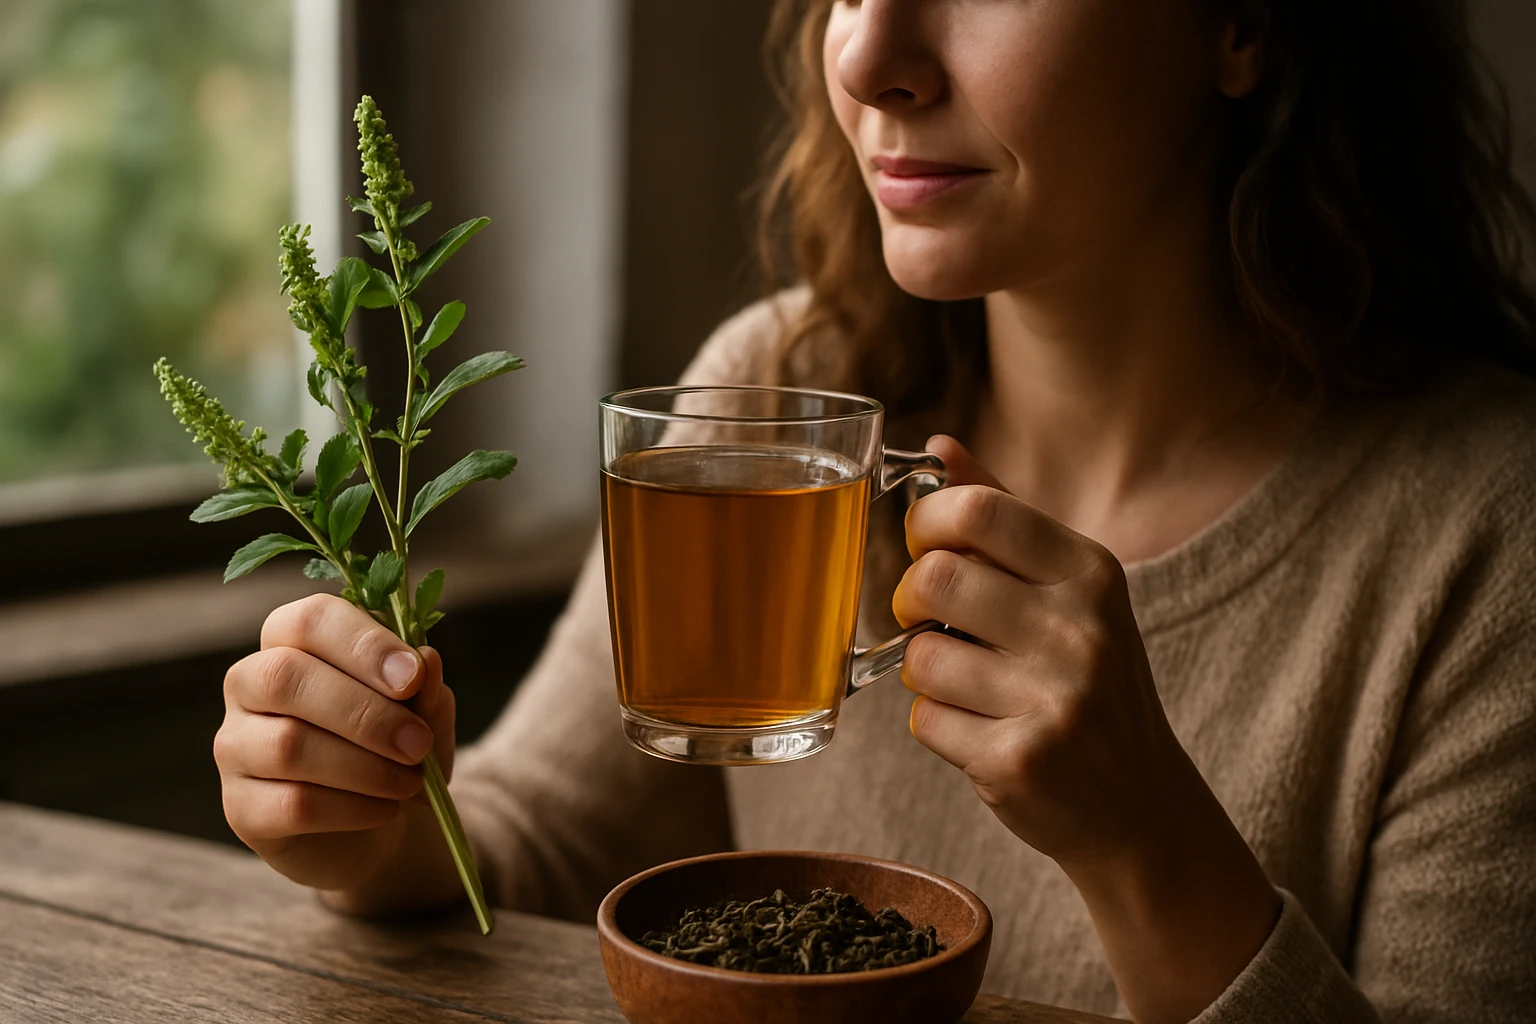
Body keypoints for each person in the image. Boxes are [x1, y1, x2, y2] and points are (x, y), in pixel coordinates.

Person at [211, 1, 1536, 1020]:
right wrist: (369, 820)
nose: (870, 58)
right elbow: (536, 839)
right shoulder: (774, 400)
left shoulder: (1488, 530)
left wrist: (1145, 841)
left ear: (1243, 23)